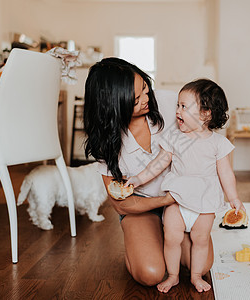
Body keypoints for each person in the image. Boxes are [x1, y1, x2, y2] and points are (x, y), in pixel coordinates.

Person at [82, 58, 215, 287]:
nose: (146, 99)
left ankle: (164, 233)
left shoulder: (171, 102)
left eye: (145, 87)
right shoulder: (107, 141)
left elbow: (205, 136)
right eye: (135, 100)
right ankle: (145, 239)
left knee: (200, 266)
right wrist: (164, 200)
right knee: (151, 273)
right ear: (114, 105)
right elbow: (122, 204)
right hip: (142, 206)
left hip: (181, 203)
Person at [125, 79, 245, 293]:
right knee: (171, 237)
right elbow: (159, 164)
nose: (177, 111)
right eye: (177, 105)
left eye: (183, 106)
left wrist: (234, 199)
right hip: (177, 200)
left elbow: (226, 174)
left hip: (204, 204)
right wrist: (138, 179)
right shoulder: (174, 137)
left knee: (200, 241)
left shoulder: (218, 143)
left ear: (205, 113)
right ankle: (172, 276)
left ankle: (196, 276)